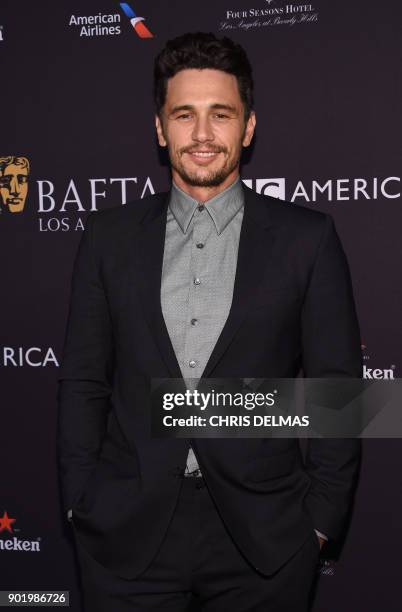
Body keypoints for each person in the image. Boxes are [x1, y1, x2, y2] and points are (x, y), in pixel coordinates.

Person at [57, 32, 362, 611]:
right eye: (184, 115)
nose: (201, 135)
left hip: (265, 538)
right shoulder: (107, 238)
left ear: (247, 127)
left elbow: (339, 393)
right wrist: (80, 501)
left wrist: (319, 522)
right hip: (126, 530)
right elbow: (83, 382)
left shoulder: (308, 239)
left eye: (220, 115)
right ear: (159, 128)